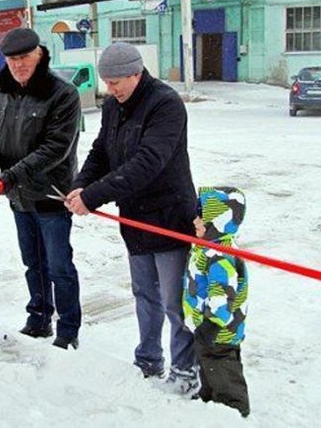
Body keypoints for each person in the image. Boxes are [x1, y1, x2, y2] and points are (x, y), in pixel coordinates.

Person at [64, 42, 199, 393]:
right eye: (107, 83)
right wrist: (81, 186)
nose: (111, 89)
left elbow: (147, 163)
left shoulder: (165, 104)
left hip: (169, 218)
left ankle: (185, 371)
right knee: (144, 294)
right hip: (135, 219)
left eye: (117, 82)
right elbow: (100, 152)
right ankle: (148, 359)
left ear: (136, 73)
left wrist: (93, 197)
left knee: (175, 302)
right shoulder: (114, 107)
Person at [0, 28, 82, 350]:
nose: (19, 65)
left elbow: (56, 148)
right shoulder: (4, 92)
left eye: (24, 57)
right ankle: (39, 318)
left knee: (58, 266)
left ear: (40, 54)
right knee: (32, 263)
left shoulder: (62, 94)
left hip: (51, 194)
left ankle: (68, 330)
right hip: (18, 196)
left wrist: (10, 175)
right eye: (12, 59)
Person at [183, 186, 250, 417]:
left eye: (201, 216)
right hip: (207, 331)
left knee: (223, 372)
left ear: (217, 222)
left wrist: (211, 325)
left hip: (219, 333)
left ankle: (235, 411)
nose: (195, 221)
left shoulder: (220, 255)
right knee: (208, 368)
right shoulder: (208, 247)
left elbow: (223, 294)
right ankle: (209, 400)